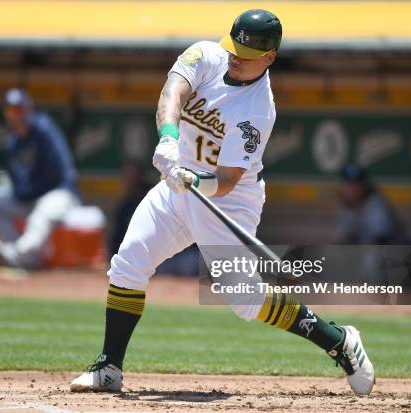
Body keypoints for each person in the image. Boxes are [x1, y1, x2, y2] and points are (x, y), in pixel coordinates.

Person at [70, 9, 374, 396]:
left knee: (245, 299)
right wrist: (167, 137)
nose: (235, 56)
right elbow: (172, 92)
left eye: (247, 53)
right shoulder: (206, 55)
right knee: (128, 262)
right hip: (176, 181)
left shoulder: (257, 110)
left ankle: (339, 340)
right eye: (235, 47)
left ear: (270, 58)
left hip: (226, 200)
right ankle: (109, 366)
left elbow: (229, 180)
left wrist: (195, 179)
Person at [0, 88, 79, 269]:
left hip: (59, 192)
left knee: (39, 215)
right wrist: (21, 191)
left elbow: (54, 173)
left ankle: (15, 255)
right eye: (11, 111)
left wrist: (25, 191)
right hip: (30, 197)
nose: (15, 116)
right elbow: (16, 180)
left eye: (19, 110)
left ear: (28, 110)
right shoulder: (13, 143)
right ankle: (26, 257)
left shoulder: (44, 131)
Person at [336, 164, 411, 244]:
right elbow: (347, 237)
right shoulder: (345, 206)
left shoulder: (376, 204)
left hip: (401, 251)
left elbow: (380, 240)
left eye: (355, 185)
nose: (351, 189)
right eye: (348, 184)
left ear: (364, 186)